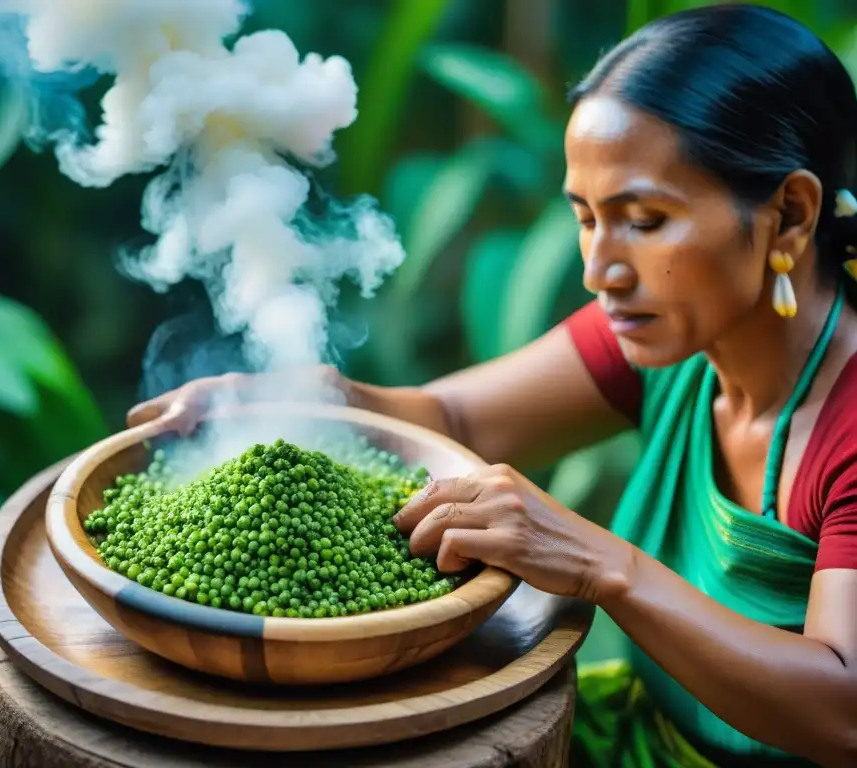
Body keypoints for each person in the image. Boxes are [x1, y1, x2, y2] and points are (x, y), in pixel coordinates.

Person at [125, 5, 857, 766]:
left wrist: (603, 565)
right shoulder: (675, 339)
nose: (597, 270)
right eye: (587, 217)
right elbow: (454, 417)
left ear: (791, 215)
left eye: (643, 221)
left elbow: (844, 714)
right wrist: (315, 398)